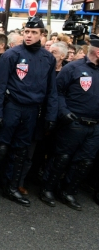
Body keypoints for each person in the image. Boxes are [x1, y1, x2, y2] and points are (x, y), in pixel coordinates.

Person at [0, 17, 57, 208]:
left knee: (21, 151)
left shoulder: (48, 58)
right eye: (27, 31)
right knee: (0, 148)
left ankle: (12, 187)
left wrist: (50, 115)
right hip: (12, 107)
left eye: (34, 32)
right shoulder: (12, 55)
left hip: (32, 111)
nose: (29, 35)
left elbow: (51, 90)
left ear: (42, 35)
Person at [40, 35, 99, 210]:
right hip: (74, 123)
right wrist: (64, 112)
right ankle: (48, 189)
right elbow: (57, 92)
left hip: (95, 126)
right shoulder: (73, 68)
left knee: (85, 162)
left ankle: (69, 191)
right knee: (62, 158)